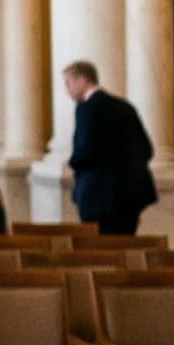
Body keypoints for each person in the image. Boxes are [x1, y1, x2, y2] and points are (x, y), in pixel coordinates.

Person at [62, 59, 156, 236]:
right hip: (130, 195)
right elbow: (146, 150)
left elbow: (84, 151)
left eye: (68, 83)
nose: (67, 91)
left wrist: (73, 163)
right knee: (125, 248)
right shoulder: (124, 106)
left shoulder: (87, 108)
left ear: (82, 81)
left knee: (101, 253)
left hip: (97, 196)